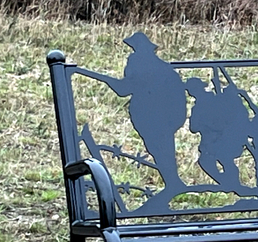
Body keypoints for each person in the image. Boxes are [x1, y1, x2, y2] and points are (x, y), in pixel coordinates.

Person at [76, 32, 187, 194]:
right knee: (162, 149)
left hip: (151, 116)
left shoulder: (138, 62)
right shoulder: (164, 67)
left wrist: (106, 79)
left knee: (159, 148)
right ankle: (173, 183)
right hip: (163, 118)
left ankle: (173, 183)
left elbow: (124, 89)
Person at [186, 78, 251, 190]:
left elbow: (226, 119)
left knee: (224, 160)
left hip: (223, 139)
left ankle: (233, 185)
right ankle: (228, 183)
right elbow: (194, 127)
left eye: (193, 89)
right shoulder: (202, 105)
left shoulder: (216, 101)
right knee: (209, 161)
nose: (191, 92)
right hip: (210, 141)